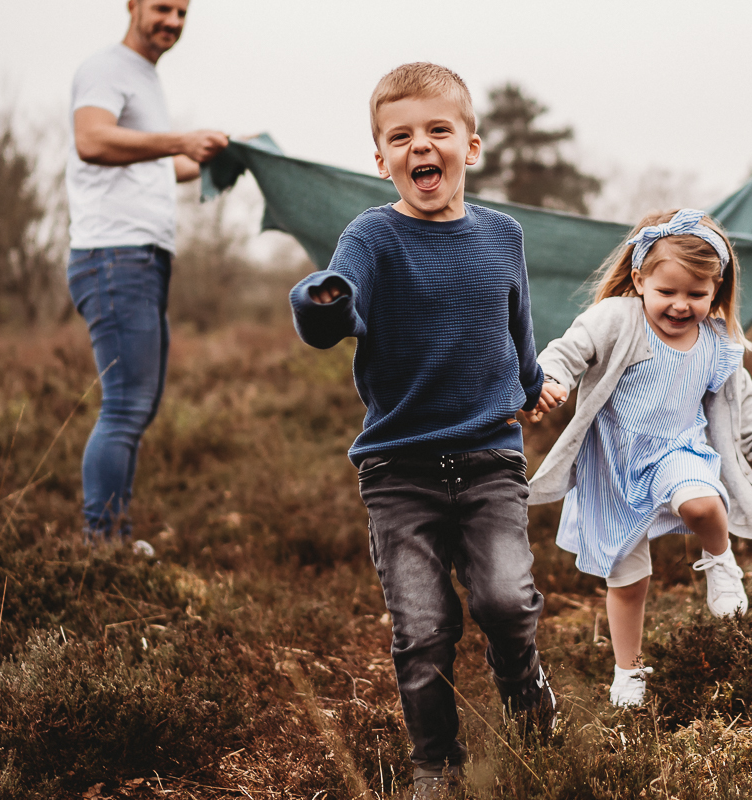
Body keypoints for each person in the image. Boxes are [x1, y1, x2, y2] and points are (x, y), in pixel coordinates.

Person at [288, 63, 555, 798]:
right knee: (424, 628)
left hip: (489, 456)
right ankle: (436, 762)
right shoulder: (371, 238)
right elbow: (333, 317)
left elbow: (517, 324)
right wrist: (322, 301)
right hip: (399, 471)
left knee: (506, 599)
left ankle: (523, 682)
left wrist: (532, 386)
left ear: (471, 146)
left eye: (439, 130)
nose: (421, 146)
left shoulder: (504, 235)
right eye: (401, 137)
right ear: (381, 160)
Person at [527, 209, 752, 708]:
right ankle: (628, 672)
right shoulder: (615, 319)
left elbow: (744, 399)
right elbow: (566, 352)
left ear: (717, 289)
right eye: (667, 292)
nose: (680, 305)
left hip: (679, 450)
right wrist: (550, 380)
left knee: (702, 505)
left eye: (696, 294)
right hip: (614, 467)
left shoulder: (717, 339)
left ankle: (720, 561)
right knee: (627, 579)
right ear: (639, 278)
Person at [66, 0, 228, 545]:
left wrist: (211, 162)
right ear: (132, 5)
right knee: (126, 405)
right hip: (114, 256)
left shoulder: (145, 79)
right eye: (163, 8)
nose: (174, 22)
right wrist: (180, 140)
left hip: (144, 257)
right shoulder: (106, 68)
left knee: (140, 404)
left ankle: (112, 532)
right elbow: (91, 140)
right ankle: (100, 541)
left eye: (183, 13)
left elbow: (158, 167)